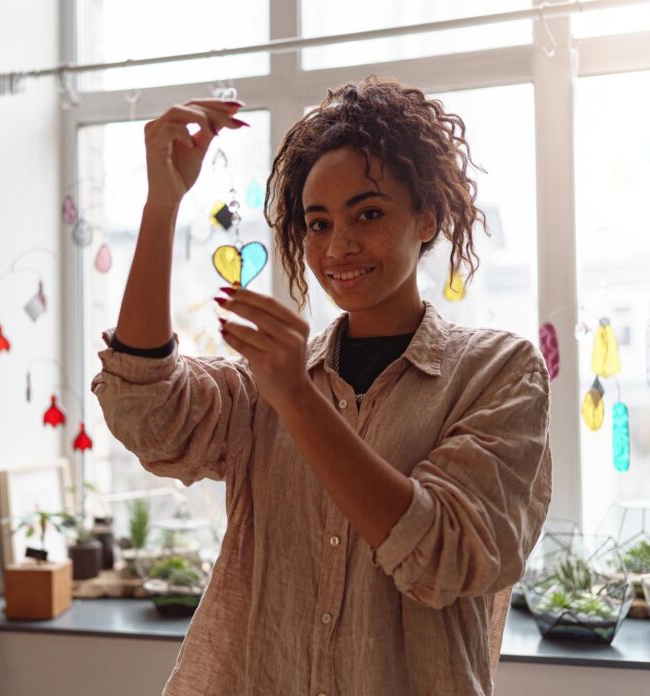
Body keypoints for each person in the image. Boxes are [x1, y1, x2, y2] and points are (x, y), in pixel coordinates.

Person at [90, 76, 552, 696]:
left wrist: (299, 400)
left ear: (427, 216)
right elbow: (147, 407)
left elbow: (444, 554)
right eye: (317, 222)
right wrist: (162, 204)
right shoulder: (270, 383)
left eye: (368, 213)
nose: (339, 246)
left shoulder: (497, 371)